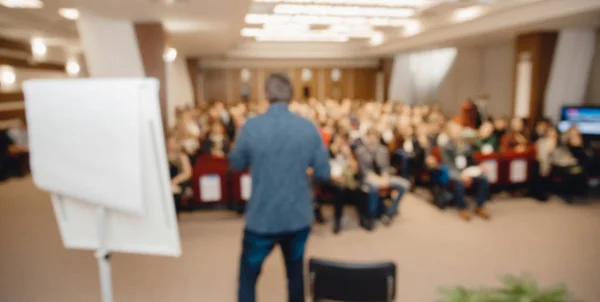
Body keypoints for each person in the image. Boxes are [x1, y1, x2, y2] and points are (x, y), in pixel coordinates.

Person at [229, 73, 330, 302]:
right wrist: (303, 183)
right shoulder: (308, 128)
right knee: (295, 277)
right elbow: (324, 172)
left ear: (266, 95)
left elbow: (235, 163)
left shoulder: (251, 127)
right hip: (297, 216)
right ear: (291, 96)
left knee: (248, 277)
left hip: (261, 217)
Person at [356, 128, 410, 227]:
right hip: (368, 177)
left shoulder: (383, 150)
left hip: (382, 177)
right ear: (367, 137)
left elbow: (385, 167)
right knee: (373, 187)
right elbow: (364, 170)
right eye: (370, 137)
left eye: (374, 137)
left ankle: (390, 212)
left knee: (405, 184)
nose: (372, 139)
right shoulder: (361, 150)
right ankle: (372, 214)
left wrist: (384, 177)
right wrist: (377, 179)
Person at [440, 121, 491, 221]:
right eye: (455, 131)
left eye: (459, 130)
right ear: (449, 133)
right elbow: (448, 166)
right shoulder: (445, 147)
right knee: (460, 182)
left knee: (484, 178)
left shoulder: (466, 144)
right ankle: (462, 207)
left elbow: (471, 160)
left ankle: (480, 206)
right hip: (454, 174)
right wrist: (461, 175)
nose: (457, 133)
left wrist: (479, 166)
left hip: (467, 171)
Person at [166, 135, 192, 217]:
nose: (170, 145)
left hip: (178, 182)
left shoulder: (181, 156)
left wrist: (173, 181)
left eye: (172, 143)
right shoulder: (162, 156)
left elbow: (187, 173)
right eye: (168, 143)